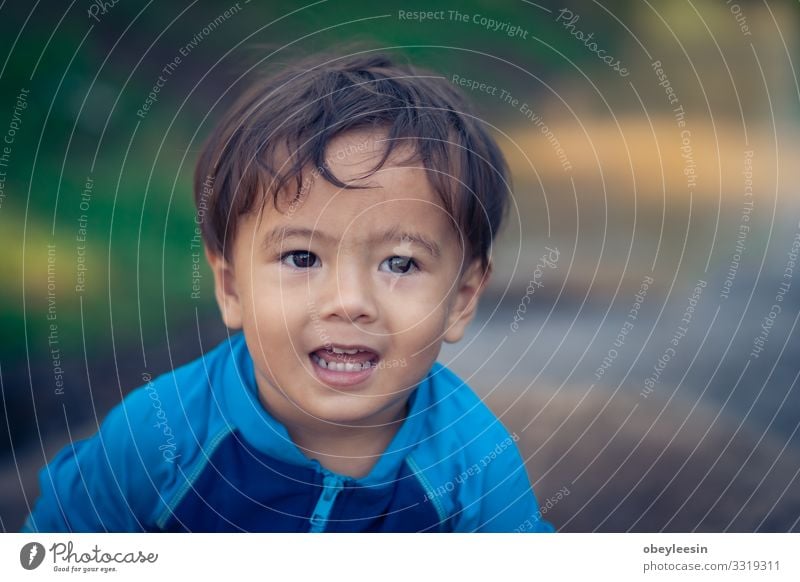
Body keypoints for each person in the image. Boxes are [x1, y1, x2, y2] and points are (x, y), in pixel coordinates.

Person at [23, 51, 554, 533]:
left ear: (460, 300)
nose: (349, 301)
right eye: (302, 257)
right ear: (232, 287)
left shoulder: (475, 467)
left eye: (400, 262)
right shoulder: (161, 437)